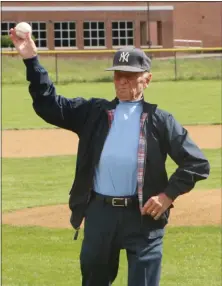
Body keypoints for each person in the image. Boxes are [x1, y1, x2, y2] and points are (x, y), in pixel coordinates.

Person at [10, 28, 210, 286]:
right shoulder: (93, 112)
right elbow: (49, 104)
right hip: (100, 215)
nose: (122, 81)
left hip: (144, 219)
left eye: (130, 75)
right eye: (117, 75)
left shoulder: (161, 120)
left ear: (147, 80)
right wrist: (30, 58)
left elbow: (196, 162)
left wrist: (167, 195)